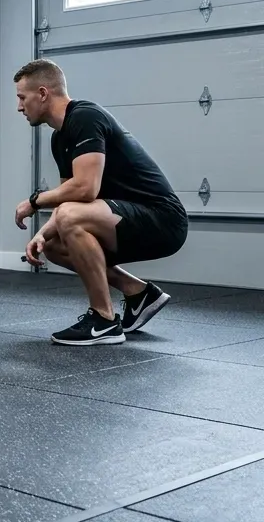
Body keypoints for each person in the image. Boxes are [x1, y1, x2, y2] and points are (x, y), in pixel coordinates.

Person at [13, 59, 188, 346]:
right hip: (122, 219)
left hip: (163, 219)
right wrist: (41, 235)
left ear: (42, 93)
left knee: (69, 216)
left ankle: (104, 320)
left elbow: (85, 188)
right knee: (54, 245)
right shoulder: (60, 139)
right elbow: (70, 197)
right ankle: (139, 293)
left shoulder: (84, 117)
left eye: (22, 98)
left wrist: (34, 201)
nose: (20, 107)